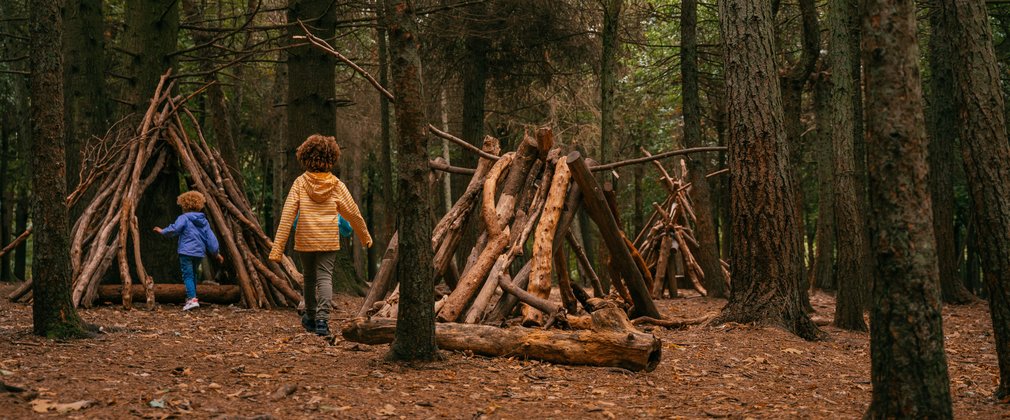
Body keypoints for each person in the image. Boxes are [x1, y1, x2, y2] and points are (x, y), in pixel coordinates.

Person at [269, 134, 372, 336]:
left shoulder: (300, 183)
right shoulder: (336, 185)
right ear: (331, 158)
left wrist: (277, 248)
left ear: (305, 157)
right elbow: (353, 212)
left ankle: (310, 317)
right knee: (325, 277)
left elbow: (287, 214)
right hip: (328, 239)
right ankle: (322, 321)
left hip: (305, 239)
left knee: (308, 278)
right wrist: (364, 236)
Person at [154, 191, 224, 311]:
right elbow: (211, 239)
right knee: (194, 275)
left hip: (186, 252)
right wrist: (216, 253)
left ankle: (192, 299)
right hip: (198, 253)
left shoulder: (184, 218)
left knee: (187, 275)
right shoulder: (204, 221)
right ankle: (192, 297)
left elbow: (175, 229)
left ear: (184, 205)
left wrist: (163, 231)